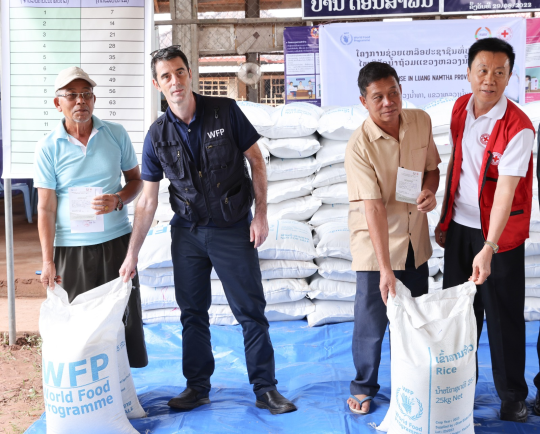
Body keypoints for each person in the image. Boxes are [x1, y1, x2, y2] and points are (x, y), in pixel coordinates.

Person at [119, 46, 297, 415]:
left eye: (180, 72)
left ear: (190, 74)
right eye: (166, 76)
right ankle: (197, 386)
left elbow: (257, 162)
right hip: (186, 233)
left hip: (232, 228)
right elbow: (148, 201)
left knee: (250, 310)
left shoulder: (225, 111)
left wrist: (260, 215)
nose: (175, 81)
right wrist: (132, 254)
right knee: (192, 313)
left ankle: (265, 388)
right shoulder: (157, 135)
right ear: (157, 83)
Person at [435, 38, 535, 423]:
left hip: (499, 237)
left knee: (503, 314)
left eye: (499, 72)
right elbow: (458, 167)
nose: (489, 80)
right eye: (482, 70)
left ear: (510, 76)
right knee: (461, 313)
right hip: (461, 229)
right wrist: (446, 219)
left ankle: (512, 395)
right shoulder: (461, 108)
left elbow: (507, 192)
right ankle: (460, 387)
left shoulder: (518, 127)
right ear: (468, 72)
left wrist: (489, 246)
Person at [34, 66, 147, 368]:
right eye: (71, 95)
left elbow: (136, 181)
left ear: (94, 100)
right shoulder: (48, 147)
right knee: (79, 326)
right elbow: (45, 208)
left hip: (116, 244)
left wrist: (119, 200)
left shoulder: (115, 134)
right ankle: (87, 395)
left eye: (86, 95)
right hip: (72, 250)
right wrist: (48, 261)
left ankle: (121, 389)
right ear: (58, 103)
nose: (80, 101)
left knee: (122, 319)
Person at [344, 62, 440, 414]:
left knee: (415, 316)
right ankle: (364, 385)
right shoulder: (359, 145)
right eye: (378, 97)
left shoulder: (420, 121)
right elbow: (374, 209)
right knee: (372, 319)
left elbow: (432, 169)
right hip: (376, 245)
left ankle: (412, 380)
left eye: (394, 92)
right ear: (363, 101)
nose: (388, 102)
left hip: (415, 239)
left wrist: (430, 192)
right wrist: (385, 269)